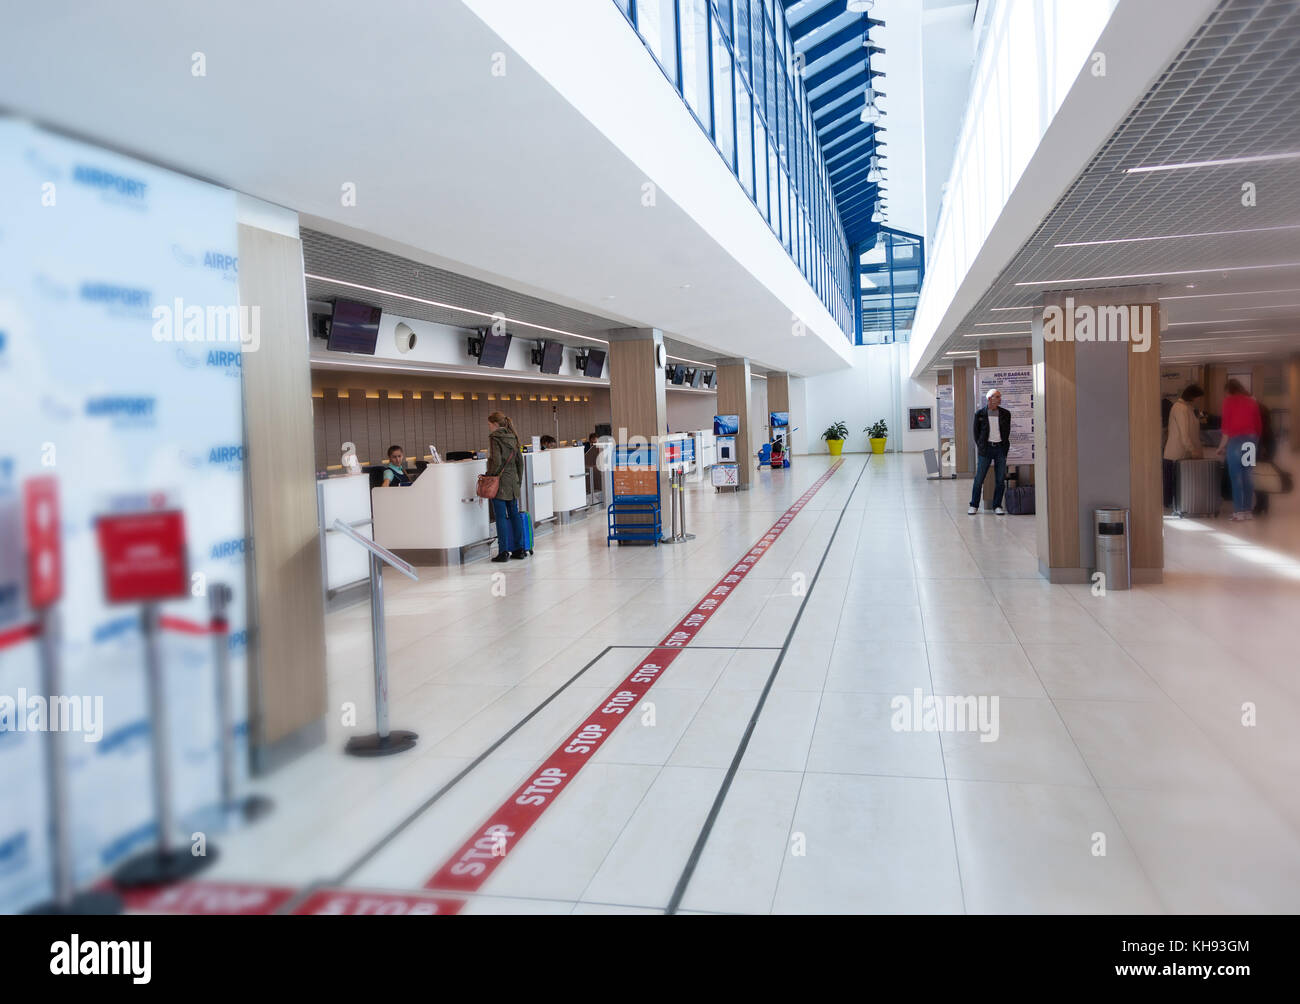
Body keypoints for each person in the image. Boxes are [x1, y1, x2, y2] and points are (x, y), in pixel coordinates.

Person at [1217, 378, 1263, 521]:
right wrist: (1255, 442)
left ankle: (1238, 512)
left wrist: (1221, 447)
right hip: (1251, 439)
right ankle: (1247, 511)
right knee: (1247, 476)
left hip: (1236, 441)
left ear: (1228, 391)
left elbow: (1226, 428)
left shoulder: (1228, 402)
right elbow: (1258, 425)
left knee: (1236, 477)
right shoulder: (1251, 401)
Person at [486, 411, 528, 560]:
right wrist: (518, 481)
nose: (489, 427)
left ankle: (503, 551)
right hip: (513, 481)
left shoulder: (495, 437)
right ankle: (519, 549)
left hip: (500, 481)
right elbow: (520, 462)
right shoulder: (514, 436)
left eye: (490, 424)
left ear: (495, 424)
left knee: (501, 517)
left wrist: (490, 476)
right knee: (514, 514)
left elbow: (496, 461)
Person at [969, 388, 1011, 515]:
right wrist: (981, 446)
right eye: (997, 397)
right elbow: (976, 433)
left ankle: (997, 505)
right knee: (979, 478)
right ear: (989, 399)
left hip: (1000, 449)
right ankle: (974, 505)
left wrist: (1004, 447)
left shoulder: (1005, 413)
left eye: (1000, 396)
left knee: (1000, 479)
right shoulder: (980, 414)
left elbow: (1006, 431)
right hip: (986, 449)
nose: (1000, 399)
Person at [1163, 384, 1204, 508]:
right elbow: (1184, 433)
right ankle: (1173, 506)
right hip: (1176, 455)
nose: (1200, 401)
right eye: (1199, 398)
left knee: (1177, 484)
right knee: (1173, 484)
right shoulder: (1180, 408)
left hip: (1182, 454)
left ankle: (1176, 505)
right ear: (1193, 397)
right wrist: (1193, 450)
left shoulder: (1187, 408)